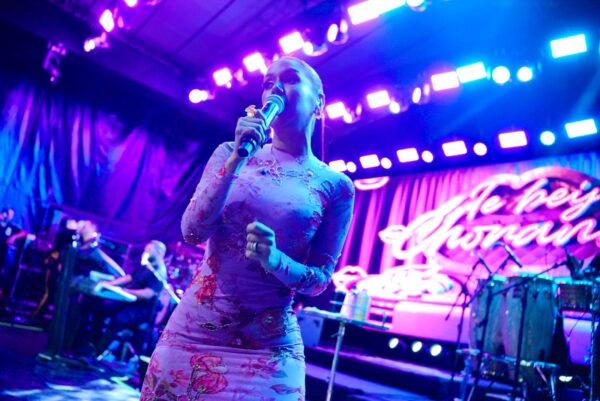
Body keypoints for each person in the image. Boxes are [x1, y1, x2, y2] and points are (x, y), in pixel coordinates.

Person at [140, 56, 355, 400]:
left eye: (290, 79)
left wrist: (275, 260)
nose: (276, 88)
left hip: (267, 349)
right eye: (268, 83)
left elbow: (319, 280)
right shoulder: (229, 152)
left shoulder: (336, 186)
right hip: (193, 334)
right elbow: (192, 232)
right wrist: (237, 159)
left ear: (319, 103)